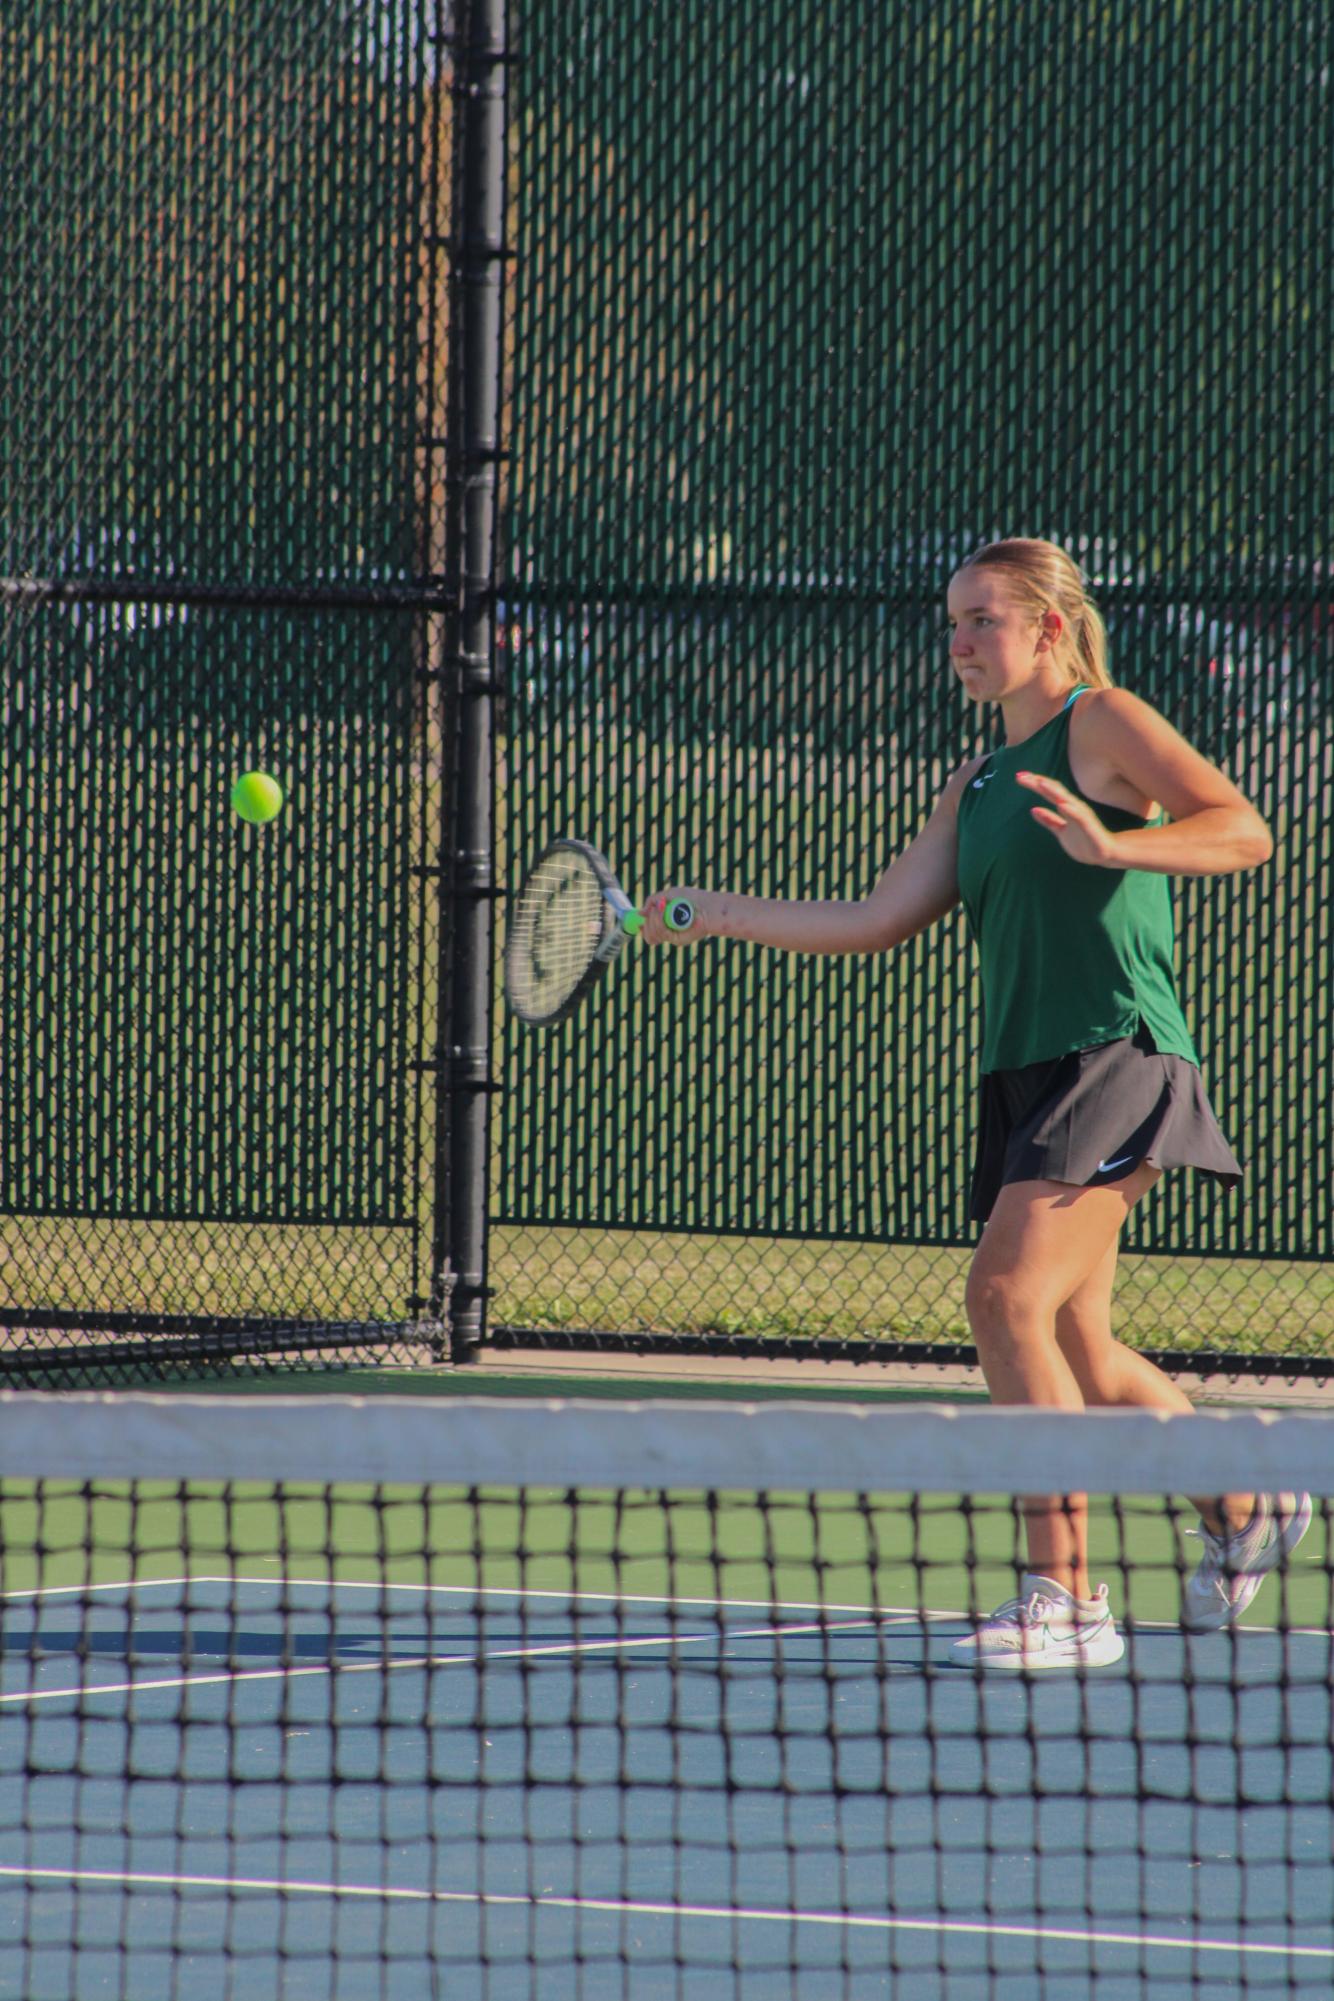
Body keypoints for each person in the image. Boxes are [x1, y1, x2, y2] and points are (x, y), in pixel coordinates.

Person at [640, 536, 1311, 1670]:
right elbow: (875, 916)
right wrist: (715, 910)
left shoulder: (1101, 723)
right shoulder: (979, 780)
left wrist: (1118, 845)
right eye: (950, 621)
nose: (958, 641)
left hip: (1117, 1053)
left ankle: (1066, 1595)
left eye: (982, 619)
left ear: (1047, 628)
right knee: (1079, 1346)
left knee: (1001, 1295)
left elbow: (1242, 827)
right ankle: (1248, 1504)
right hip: (1025, 1073)